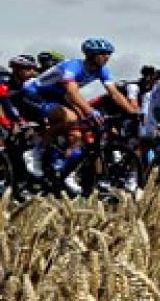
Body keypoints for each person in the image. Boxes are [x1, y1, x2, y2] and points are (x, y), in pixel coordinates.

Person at [22, 38, 138, 189]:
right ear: (91, 55)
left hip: (57, 97)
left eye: (109, 54)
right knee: (71, 118)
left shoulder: (102, 70)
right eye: (103, 54)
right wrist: (90, 111)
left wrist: (134, 112)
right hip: (35, 93)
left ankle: (66, 172)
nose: (107, 57)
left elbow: (114, 94)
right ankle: (35, 152)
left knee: (77, 134)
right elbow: (72, 92)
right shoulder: (72, 66)